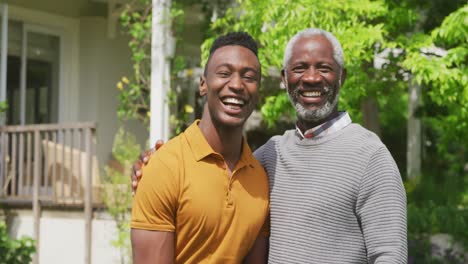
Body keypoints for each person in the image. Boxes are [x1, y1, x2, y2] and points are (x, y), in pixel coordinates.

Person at [132, 28, 407, 263]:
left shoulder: (371, 156)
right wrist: (153, 163)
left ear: (342, 77)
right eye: (300, 69)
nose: (311, 78)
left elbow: (389, 255)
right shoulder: (268, 157)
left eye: (324, 68)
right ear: (285, 79)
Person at [130, 32, 269, 264]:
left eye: (249, 77)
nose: (236, 85)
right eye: (224, 73)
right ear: (203, 85)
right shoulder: (165, 166)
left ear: (258, 92)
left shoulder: (260, 180)